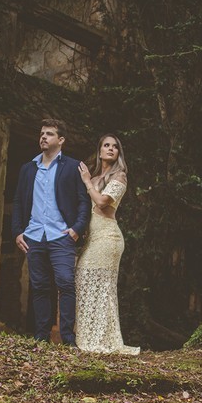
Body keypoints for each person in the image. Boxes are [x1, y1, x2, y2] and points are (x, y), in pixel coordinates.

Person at [11, 119, 91, 345]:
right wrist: (18, 231)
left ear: (61, 140)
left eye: (49, 134)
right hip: (34, 235)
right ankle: (41, 336)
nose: (43, 137)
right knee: (39, 286)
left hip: (61, 236)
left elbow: (83, 202)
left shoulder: (72, 167)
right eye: (41, 133)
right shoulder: (28, 169)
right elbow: (18, 202)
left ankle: (67, 338)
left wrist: (77, 229)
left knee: (66, 283)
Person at [75, 134, 140, 355]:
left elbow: (102, 203)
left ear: (119, 153)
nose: (110, 149)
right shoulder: (94, 177)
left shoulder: (119, 177)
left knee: (102, 288)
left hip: (108, 237)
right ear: (100, 150)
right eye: (106, 145)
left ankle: (103, 340)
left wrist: (85, 181)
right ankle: (86, 336)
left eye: (115, 147)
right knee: (83, 281)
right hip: (90, 238)